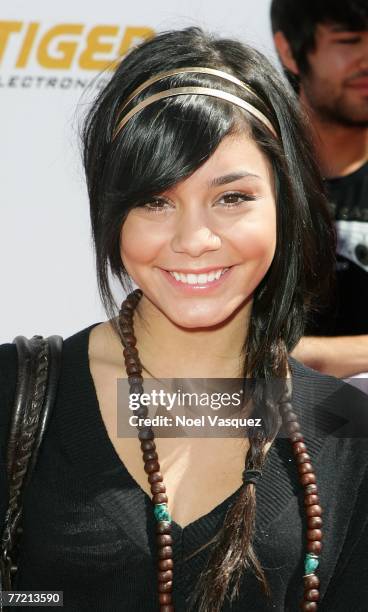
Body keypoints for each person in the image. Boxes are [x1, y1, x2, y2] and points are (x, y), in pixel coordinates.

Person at [1, 27, 368, 612]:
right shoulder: (18, 395)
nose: (194, 240)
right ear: (111, 212)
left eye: (232, 197)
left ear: (285, 199)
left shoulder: (348, 429)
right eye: (155, 200)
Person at [271, 0, 368, 378]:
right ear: (290, 50)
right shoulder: (243, 171)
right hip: (253, 423)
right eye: (349, 41)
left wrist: (311, 355)